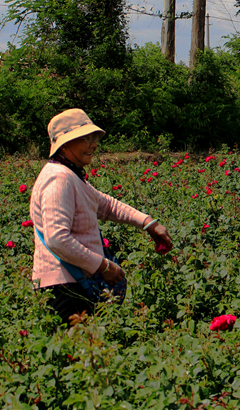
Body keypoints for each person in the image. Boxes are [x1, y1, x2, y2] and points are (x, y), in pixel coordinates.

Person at [31, 108, 174, 324]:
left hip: (74, 283)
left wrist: (148, 223)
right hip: (64, 289)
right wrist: (103, 266)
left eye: (94, 138)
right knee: (78, 353)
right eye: (85, 138)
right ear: (65, 143)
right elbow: (57, 238)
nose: (94, 144)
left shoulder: (70, 176)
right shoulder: (58, 179)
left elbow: (106, 205)